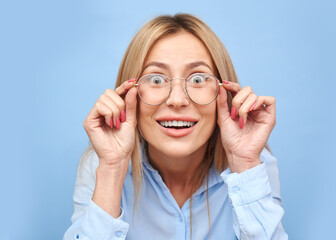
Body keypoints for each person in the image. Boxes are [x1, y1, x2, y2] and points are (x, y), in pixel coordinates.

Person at [64, 13, 288, 240]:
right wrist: (112, 170)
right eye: (156, 79)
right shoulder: (100, 165)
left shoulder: (254, 164)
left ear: (223, 93)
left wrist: (245, 163)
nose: (178, 100)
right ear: (129, 95)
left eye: (198, 79)